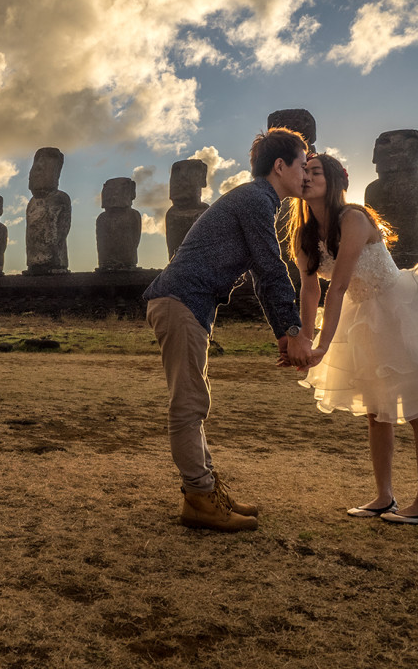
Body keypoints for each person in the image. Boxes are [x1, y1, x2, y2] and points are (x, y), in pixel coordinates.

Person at [287, 153, 418, 525]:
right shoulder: (302, 234)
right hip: (360, 316)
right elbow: (309, 290)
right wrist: (304, 340)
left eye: (315, 171)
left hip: (399, 309)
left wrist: (322, 345)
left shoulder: (353, 218)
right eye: (303, 171)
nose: (306, 177)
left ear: (335, 180)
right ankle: (384, 497)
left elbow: (335, 288)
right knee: (375, 410)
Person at [143, 128, 313, 532]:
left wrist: (282, 332)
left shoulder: (257, 199)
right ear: (280, 166)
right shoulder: (256, 199)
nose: (306, 174)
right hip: (181, 300)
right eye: (303, 165)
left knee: (194, 400)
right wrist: (291, 328)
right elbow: (271, 270)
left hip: (188, 303)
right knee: (188, 404)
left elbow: (260, 274)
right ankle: (199, 499)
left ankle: (206, 489)